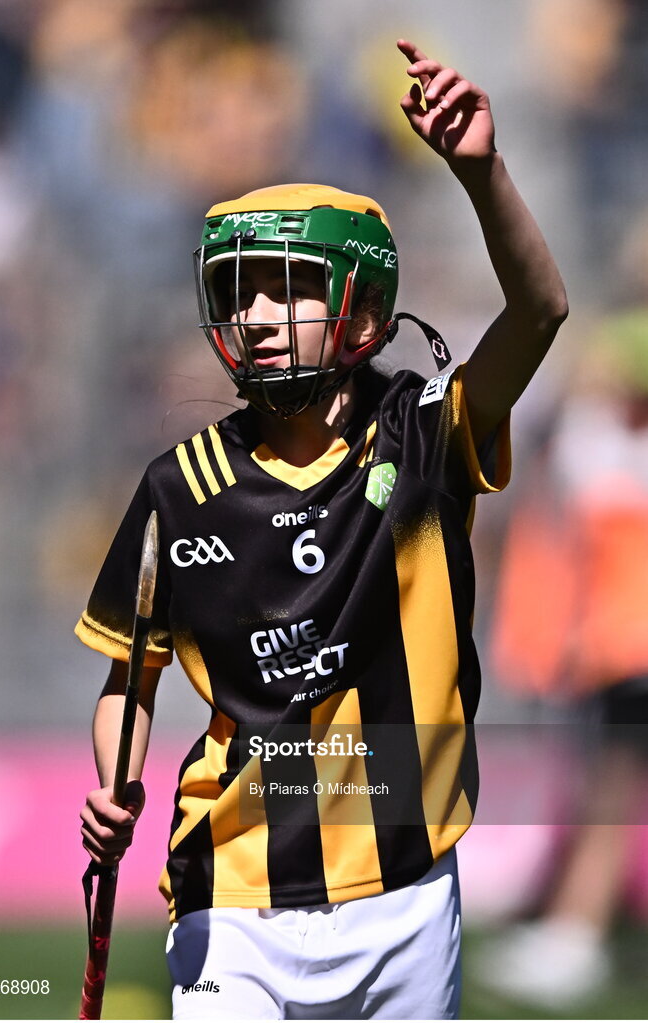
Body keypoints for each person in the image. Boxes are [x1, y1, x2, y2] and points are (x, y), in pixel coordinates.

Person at [77, 39, 568, 1020]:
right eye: (238, 292)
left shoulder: (427, 438)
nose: (256, 315)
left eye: (287, 286)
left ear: (364, 311)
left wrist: (481, 175)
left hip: (407, 894)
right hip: (233, 899)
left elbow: (540, 311)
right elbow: (130, 681)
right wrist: (115, 780)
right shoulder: (180, 486)